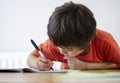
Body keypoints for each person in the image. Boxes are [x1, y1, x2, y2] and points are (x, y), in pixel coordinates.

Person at [27, 1, 120, 70]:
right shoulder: (58, 42)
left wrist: (85, 66)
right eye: (58, 46)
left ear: (88, 41)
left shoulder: (104, 41)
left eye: (68, 49)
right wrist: (37, 63)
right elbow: (30, 58)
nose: (61, 51)